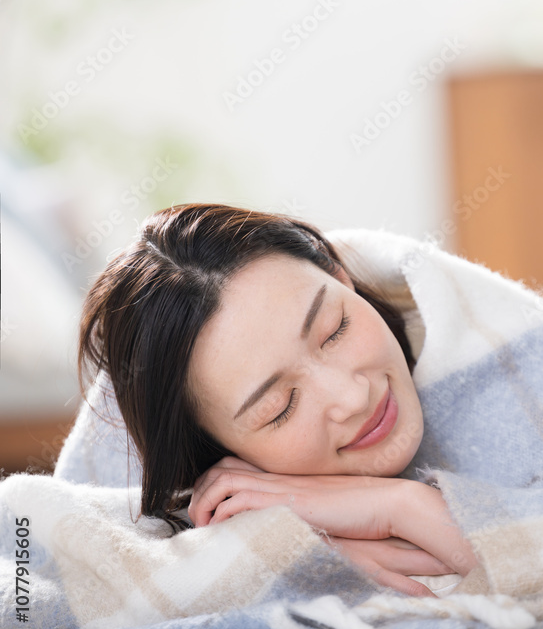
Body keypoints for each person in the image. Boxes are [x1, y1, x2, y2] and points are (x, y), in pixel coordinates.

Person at [76, 202, 478, 599]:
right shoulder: (208, 543)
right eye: (280, 407)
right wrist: (263, 548)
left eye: (334, 330)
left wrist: (404, 508)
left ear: (340, 276)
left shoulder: (483, 341)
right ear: (217, 452)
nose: (352, 397)